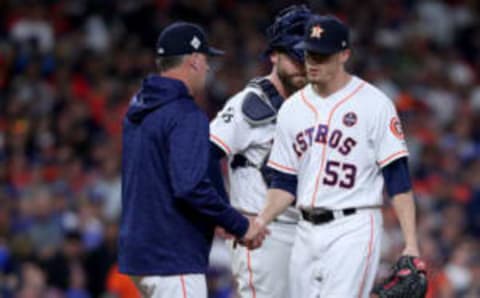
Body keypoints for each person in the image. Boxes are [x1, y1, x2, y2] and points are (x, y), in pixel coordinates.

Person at [251, 15, 422, 297]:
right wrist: (260, 222)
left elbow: (398, 179)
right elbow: (283, 182)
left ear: (344, 54)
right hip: (304, 230)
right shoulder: (293, 108)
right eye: (309, 54)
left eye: (322, 56)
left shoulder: (375, 104)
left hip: (353, 227)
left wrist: (411, 244)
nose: (313, 63)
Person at [119, 21, 267, 298]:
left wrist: (218, 216)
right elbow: (189, 186)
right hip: (172, 258)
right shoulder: (185, 113)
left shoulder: (138, 107)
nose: (209, 68)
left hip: (139, 255)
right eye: (207, 60)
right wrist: (240, 224)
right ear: (195, 60)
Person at [209, 5, 311, 298]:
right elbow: (204, 153)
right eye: (296, 57)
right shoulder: (248, 104)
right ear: (274, 55)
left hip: (306, 233)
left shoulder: (311, 107)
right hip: (266, 235)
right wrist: (225, 214)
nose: (304, 66)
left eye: (311, 58)